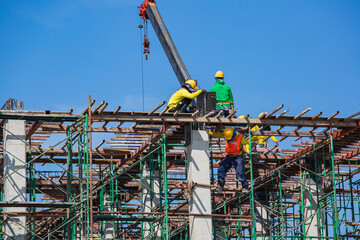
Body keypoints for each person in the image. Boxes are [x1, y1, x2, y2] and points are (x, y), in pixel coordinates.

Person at [209, 126, 249, 191]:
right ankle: (220, 185)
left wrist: (248, 150)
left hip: (238, 157)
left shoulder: (240, 137)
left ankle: (245, 186)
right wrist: (209, 133)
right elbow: (218, 135)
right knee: (221, 168)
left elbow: (246, 144)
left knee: (239, 172)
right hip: (229, 156)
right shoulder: (226, 134)